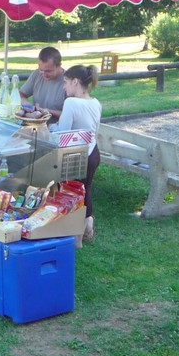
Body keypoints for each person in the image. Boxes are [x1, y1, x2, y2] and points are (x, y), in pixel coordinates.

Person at [50, 64, 102, 242]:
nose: (64, 87)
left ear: (75, 81)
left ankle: (75, 231)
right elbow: (94, 129)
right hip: (93, 152)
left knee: (73, 192)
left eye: (65, 83)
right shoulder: (96, 103)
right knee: (86, 188)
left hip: (76, 154)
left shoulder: (71, 103)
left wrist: (50, 128)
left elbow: (62, 132)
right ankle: (87, 224)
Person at [20, 46, 67, 122]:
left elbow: (73, 115)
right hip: (35, 124)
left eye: (48, 71)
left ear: (59, 65)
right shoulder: (37, 74)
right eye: (41, 70)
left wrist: (48, 111)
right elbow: (20, 94)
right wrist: (27, 104)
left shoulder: (69, 81)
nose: (44, 74)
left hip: (56, 128)